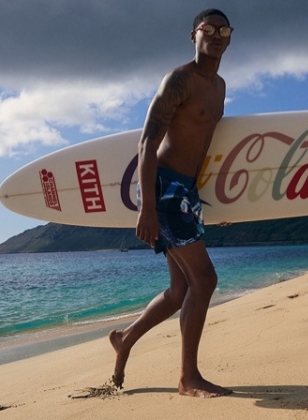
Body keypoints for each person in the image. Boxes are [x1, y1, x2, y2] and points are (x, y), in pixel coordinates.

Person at [108, 9, 233, 398]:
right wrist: (146, 207)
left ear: (230, 38)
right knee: (205, 280)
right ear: (193, 35)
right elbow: (147, 141)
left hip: (187, 193)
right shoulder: (179, 80)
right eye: (207, 29)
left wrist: (213, 204)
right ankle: (188, 378)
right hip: (164, 190)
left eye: (222, 30)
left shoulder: (220, 86)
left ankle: (125, 339)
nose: (215, 35)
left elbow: (203, 149)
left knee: (181, 290)